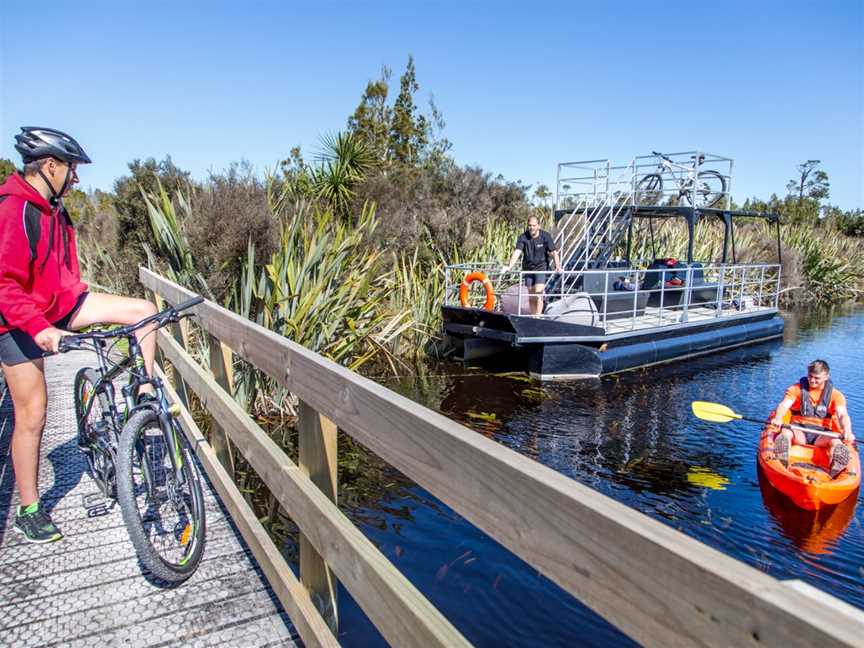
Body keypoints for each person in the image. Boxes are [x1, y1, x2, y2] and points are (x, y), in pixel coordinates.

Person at [0, 127, 158, 543]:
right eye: (71, 169)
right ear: (49, 165)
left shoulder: (55, 208)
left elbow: (65, 274)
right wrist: (40, 330)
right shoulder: (14, 208)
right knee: (33, 414)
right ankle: (30, 510)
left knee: (144, 312)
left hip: (61, 307)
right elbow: (4, 285)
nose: (76, 179)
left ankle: (146, 397)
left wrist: (75, 304)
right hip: (18, 321)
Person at [769, 359, 855, 479]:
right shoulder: (796, 389)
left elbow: (842, 415)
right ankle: (782, 461)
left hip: (821, 434)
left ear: (826, 377)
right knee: (785, 432)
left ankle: (835, 468)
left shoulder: (836, 395)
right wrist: (778, 418)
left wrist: (847, 430)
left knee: (836, 441)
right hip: (798, 430)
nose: (812, 380)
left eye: (817, 378)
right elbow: (783, 405)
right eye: (810, 376)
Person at [502, 216, 562, 315]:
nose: (532, 228)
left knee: (538, 294)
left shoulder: (545, 236)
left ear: (538, 226)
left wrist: (558, 267)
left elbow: (554, 252)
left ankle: (537, 317)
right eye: (530, 225)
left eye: (534, 225)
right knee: (531, 295)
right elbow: (517, 252)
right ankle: (533, 317)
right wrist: (509, 266)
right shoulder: (523, 237)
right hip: (528, 269)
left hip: (541, 269)